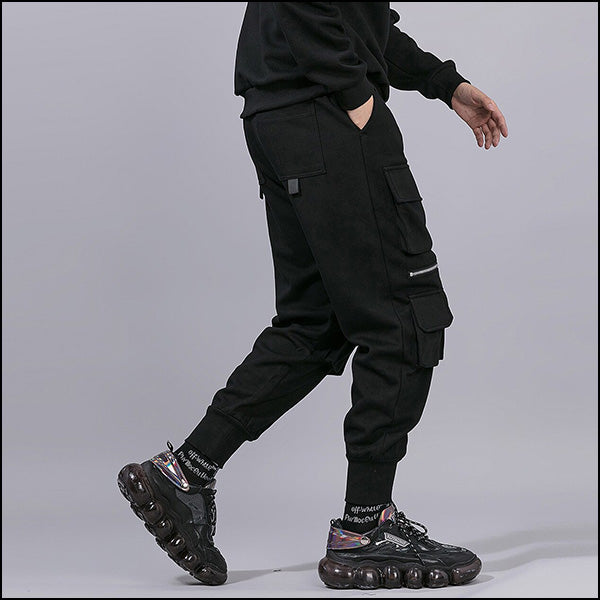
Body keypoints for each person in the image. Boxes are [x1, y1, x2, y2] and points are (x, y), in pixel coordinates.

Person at [117, 2, 507, 590]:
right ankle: (365, 529)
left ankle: (184, 474)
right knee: (403, 317)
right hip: (325, 113)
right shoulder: (336, 89)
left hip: (284, 115)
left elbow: (362, 23)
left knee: (315, 321)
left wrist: (445, 84)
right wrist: (355, 95)